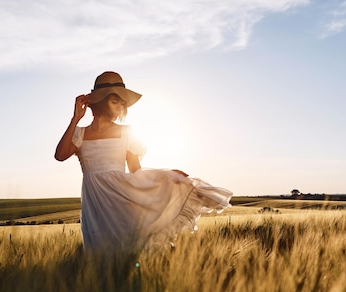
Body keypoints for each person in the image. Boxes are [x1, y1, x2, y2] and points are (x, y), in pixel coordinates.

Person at [55, 71, 232, 255]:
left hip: (120, 200)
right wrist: (75, 118)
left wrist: (168, 177)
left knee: (123, 253)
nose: (119, 107)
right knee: (97, 256)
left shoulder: (127, 132)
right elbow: (60, 155)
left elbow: (136, 172)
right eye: (115, 101)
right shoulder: (80, 134)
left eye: (122, 103)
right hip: (93, 205)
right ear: (100, 101)